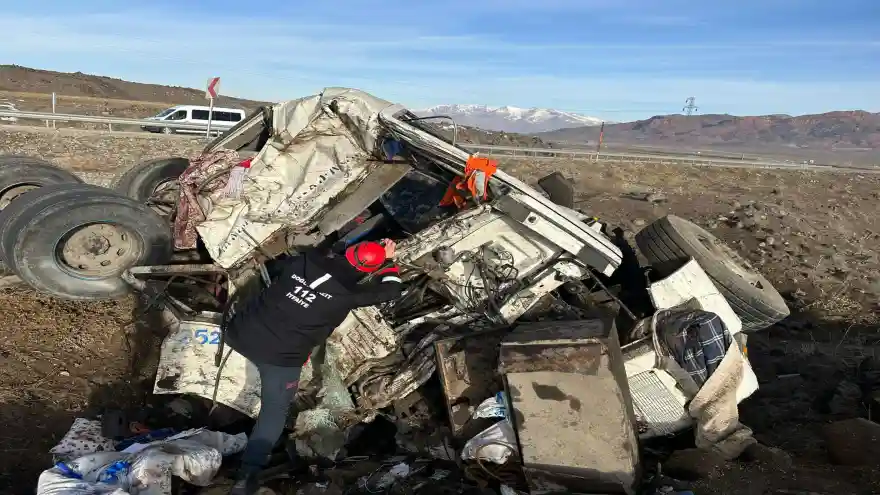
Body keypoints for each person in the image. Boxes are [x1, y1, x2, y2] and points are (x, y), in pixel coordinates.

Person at [223, 239, 404, 495]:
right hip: (280, 358)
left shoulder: (305, 261)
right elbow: (392, 290)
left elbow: (316, 252)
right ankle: (247, 475)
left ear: (349, 252)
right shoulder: (349, 296)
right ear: (366, 271)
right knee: (274, 412)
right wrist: (389, 261)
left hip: (239, 333)